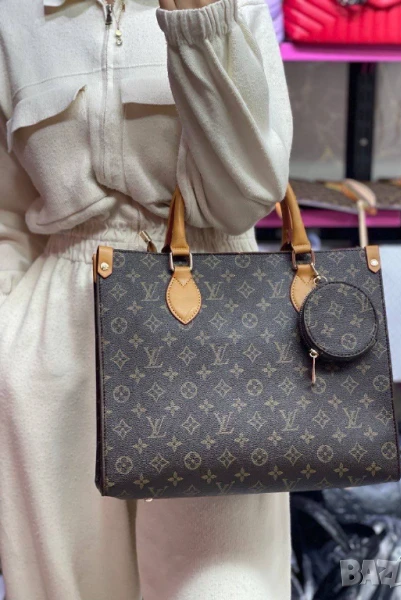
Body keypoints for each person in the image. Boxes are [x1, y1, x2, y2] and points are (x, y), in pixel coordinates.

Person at [0, 0, 293, 598]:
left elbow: (249, 193)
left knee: (225, 586)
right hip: (58, 343)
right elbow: (8, 213)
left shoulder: (233, 6)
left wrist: (198, 25)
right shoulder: (14, 15)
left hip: (217, 324)